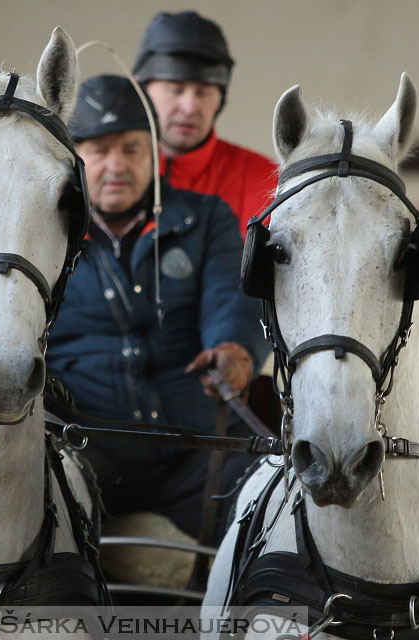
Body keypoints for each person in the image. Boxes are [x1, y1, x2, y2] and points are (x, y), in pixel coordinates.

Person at [46, 75, 267, 539]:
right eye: (99, 150)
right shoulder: (44, 236)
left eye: (132, 149)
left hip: (196, 447)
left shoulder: (206, 219)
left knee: (266, 502)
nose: (116, 165)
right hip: (83, 448)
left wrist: (235, 349)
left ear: (155, 154)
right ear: (72, 158)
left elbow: (232, 299)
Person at [133, 10, 278, 236]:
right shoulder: (102, 179)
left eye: (203, 92)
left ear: (221, 98)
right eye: (175, 89)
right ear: (139, 90)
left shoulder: (268, 185)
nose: (190, 108)